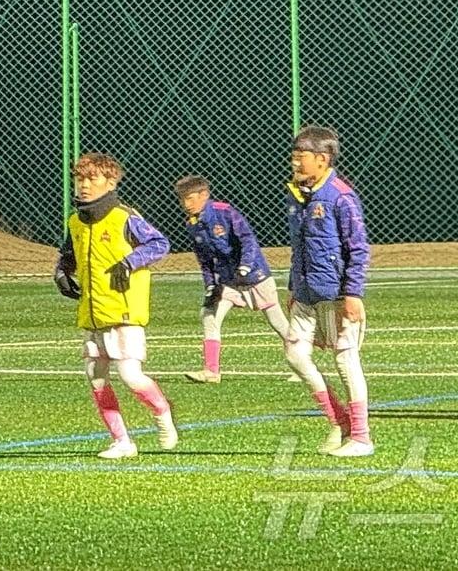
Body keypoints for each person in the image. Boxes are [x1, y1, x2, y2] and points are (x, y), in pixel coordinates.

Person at [54, 152, 176, 459]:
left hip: (124, 311)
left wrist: (129, 262)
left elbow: (159, 243)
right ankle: (122, 441)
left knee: (131, 376)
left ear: (111, 183)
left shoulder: (124, 217)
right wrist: (62, 271)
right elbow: (69, 254)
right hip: (93, 313)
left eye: (91, 179)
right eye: (79, 179)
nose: (84, 185)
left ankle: (163, 411)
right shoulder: (75, 221)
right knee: (95, 377)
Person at [283, 126, 374, 457]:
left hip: (335, 294)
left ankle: (361, 438)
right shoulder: (296, 196)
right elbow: (299, 247)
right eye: (294, 156)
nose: (295, 162)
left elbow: (358, 248)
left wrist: (353, 293)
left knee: (345, 360)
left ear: (322, 159)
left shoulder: (340, 196)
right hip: (305, 294)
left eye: (301, 156)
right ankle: (339, 421)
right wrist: (293, 286)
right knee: (294, 355)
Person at [175, 176, 289, 383]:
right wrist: (211, 285)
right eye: (182, 199)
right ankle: (211, 372)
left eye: (190, 198)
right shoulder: (192, 225)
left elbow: (248, 239)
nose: (186, 204)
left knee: (278, 322)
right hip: (228, 282)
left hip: (254, 276)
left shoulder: (225, 212)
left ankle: (301, 363)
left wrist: (245, 266)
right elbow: (205, 260)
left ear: (204, 195)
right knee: (209, 315)